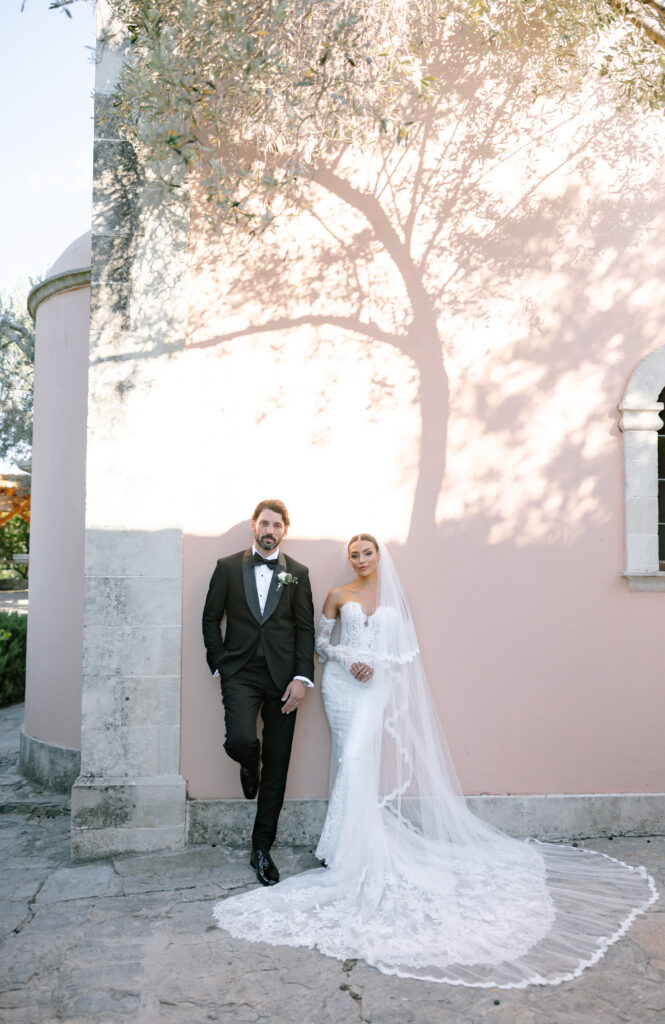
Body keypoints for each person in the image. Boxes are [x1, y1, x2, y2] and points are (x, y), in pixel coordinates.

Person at [213, 535, 658, 987]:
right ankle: (342, 845)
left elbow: (406, 652)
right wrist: (350, 660)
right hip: (343, 687)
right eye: (355, 554)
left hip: (376, 687)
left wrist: (377, 667)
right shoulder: (336, 594)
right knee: (350, 758)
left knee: (354, 760)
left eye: (368, 553)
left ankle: (342, 848)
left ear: (379, 557)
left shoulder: (393, 601)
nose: (361, 559)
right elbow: (323, 644)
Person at [202, 499, 315, 886]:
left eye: (277, 525)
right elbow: (210, 617)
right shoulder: (228, 567)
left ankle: (261, 848)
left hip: (285, 681)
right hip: (241, 673)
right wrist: (219, 661)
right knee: (240, 739)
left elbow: (305, 630)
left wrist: (302, 678)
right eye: (264, 523)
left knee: (279, 765)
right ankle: (249, 763)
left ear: (285, 530)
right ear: (254, 525)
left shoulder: (297, 573)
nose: (270, 530)